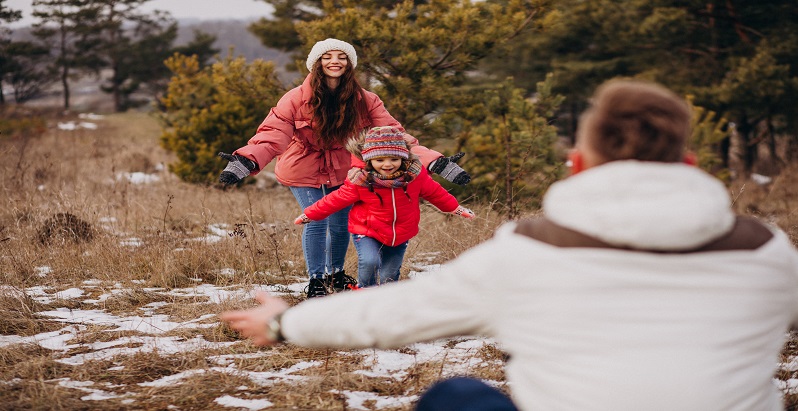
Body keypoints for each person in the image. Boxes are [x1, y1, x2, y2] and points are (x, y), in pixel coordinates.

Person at [220, 79, 798, 411]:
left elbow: (395, 313)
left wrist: (284, 324)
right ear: (690, 163)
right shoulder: (767, 250)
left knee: (455, 398)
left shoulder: (529, 250)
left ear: (577, 164)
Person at [217, 38, 471, 299]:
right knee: (316, 219)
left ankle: (335, 274)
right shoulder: (294, 99)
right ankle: (316, 280)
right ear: (316, 63)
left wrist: (435, 161)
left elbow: (393, 136)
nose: (334, 61)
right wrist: (247, 160)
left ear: (349, 63)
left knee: (340, 224)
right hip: (303, 166)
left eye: (341, 56)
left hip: (344, 166)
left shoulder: (365, 99)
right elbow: (273, 134)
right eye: (327, 56)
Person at [293, 126, 474, 288]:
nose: (387, 165)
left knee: (389, 276)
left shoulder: (415, 177)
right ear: (369, 161)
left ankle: (386, 303)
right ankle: (366, 293)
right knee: (370, 261)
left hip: (400, 233)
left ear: (403, 158)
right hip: (367, 231)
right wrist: (310, 214)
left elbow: (436, 193)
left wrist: (456, 208)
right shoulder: (360, 181)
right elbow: (335, 199)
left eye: (394, 159)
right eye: (380, 160)